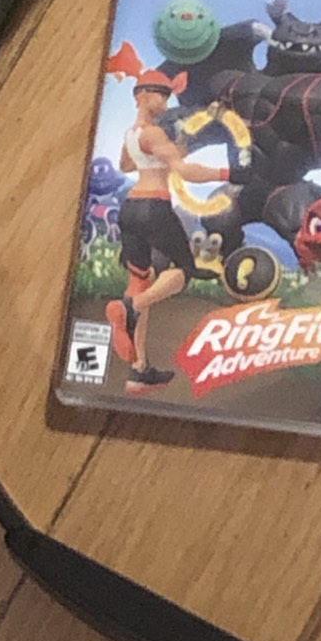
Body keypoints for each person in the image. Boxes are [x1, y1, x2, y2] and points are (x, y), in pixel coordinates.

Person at [105, 67, 235, 395]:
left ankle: (139, 371)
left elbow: (125, 166)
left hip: (131, 208)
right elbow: (185, 171)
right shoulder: (153, 134)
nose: (165, 102)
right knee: (183, 271)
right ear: (143, 96)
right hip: (154, 208)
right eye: (161, 96)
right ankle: (130, 308)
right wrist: (227, 172)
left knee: (139, 280)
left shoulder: (132, 134)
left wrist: (162, 156)